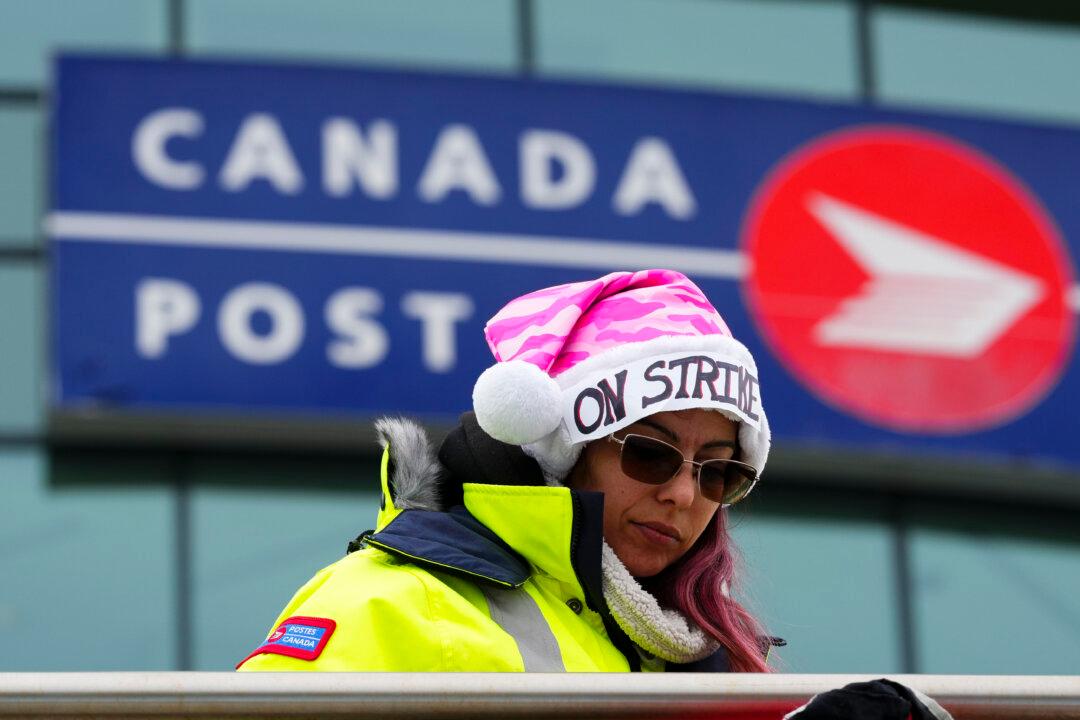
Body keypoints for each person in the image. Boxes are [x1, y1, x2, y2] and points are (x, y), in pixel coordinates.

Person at [237, 269, 774, 672]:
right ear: (562, 448)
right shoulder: (391, 603)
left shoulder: (709, 653)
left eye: (718, 472)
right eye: (650, 453)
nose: (683, 494)